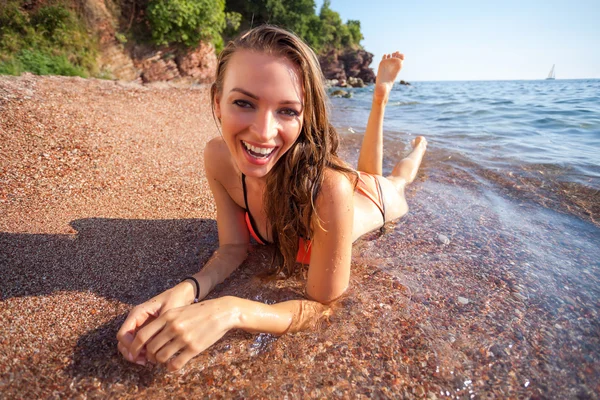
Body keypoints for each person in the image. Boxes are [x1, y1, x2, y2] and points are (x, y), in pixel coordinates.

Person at [117, 25, 427, 371]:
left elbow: (324, 304)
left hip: (374, 201)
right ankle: (381, 98)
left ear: (305, 116)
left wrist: (232, 310)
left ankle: (393, 115)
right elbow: (233, 248)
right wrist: (189, 289)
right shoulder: (218, 158)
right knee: (370, 170)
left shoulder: (328, 190)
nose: (263, 133)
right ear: (217, 101)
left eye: (287, 110)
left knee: (395, 179)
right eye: (244, 103)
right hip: (336, 184)